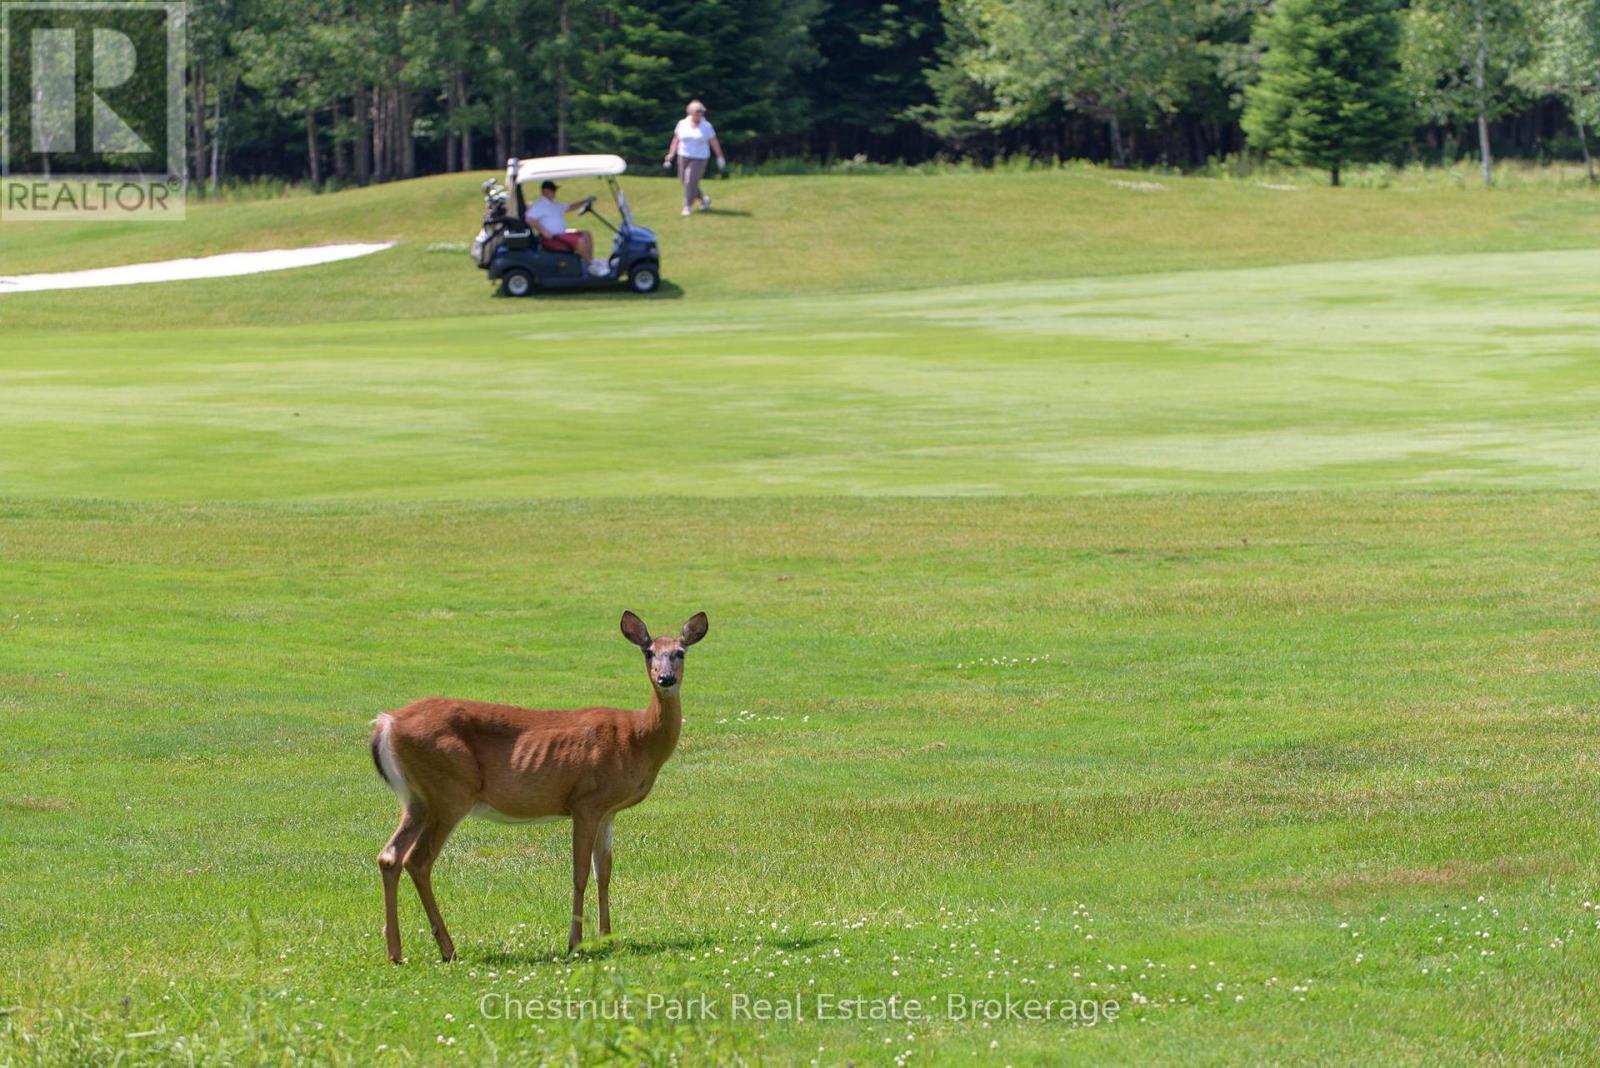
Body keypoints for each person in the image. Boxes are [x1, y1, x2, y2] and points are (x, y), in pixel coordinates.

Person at [525, 179, 606, 274]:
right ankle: (591, 265)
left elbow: (570, 207)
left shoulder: (553, 204)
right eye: (553, 190)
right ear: (545, 191)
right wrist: (543, 231)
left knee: (587, 234)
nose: (555, 192)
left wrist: (585, 201)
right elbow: (529, 219)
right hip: (552, 238)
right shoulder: (540, 205)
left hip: (561, 235)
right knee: (580, 241)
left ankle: (590, 264)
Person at [663, 100, 726, 216]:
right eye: (697, 111)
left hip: (700, 157)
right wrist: (671, 153)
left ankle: (687, 206)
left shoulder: (707, 126)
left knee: (690, 180)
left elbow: (714, 141)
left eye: (701, 111)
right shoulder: (682, 123)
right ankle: (704, 200)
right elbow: (676, 139)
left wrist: (720, 157)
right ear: (690, 112)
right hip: (683, 155)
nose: (700, 114)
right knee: (684, 180)